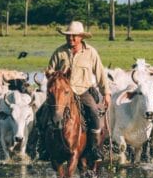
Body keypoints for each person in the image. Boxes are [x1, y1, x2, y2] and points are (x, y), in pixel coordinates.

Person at [48, 21, 111, 162]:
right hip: (62, 94)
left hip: (82, 91)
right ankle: (42, 147)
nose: (70, 38)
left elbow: (100, 73)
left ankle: (94, 148)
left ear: (81, 37)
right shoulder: (59, 52)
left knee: (94, 113)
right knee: (43, 113)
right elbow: (50, 72)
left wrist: (106, 93)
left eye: (74, 36)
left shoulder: (91, 52)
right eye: (68, 36)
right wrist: (54, 78)